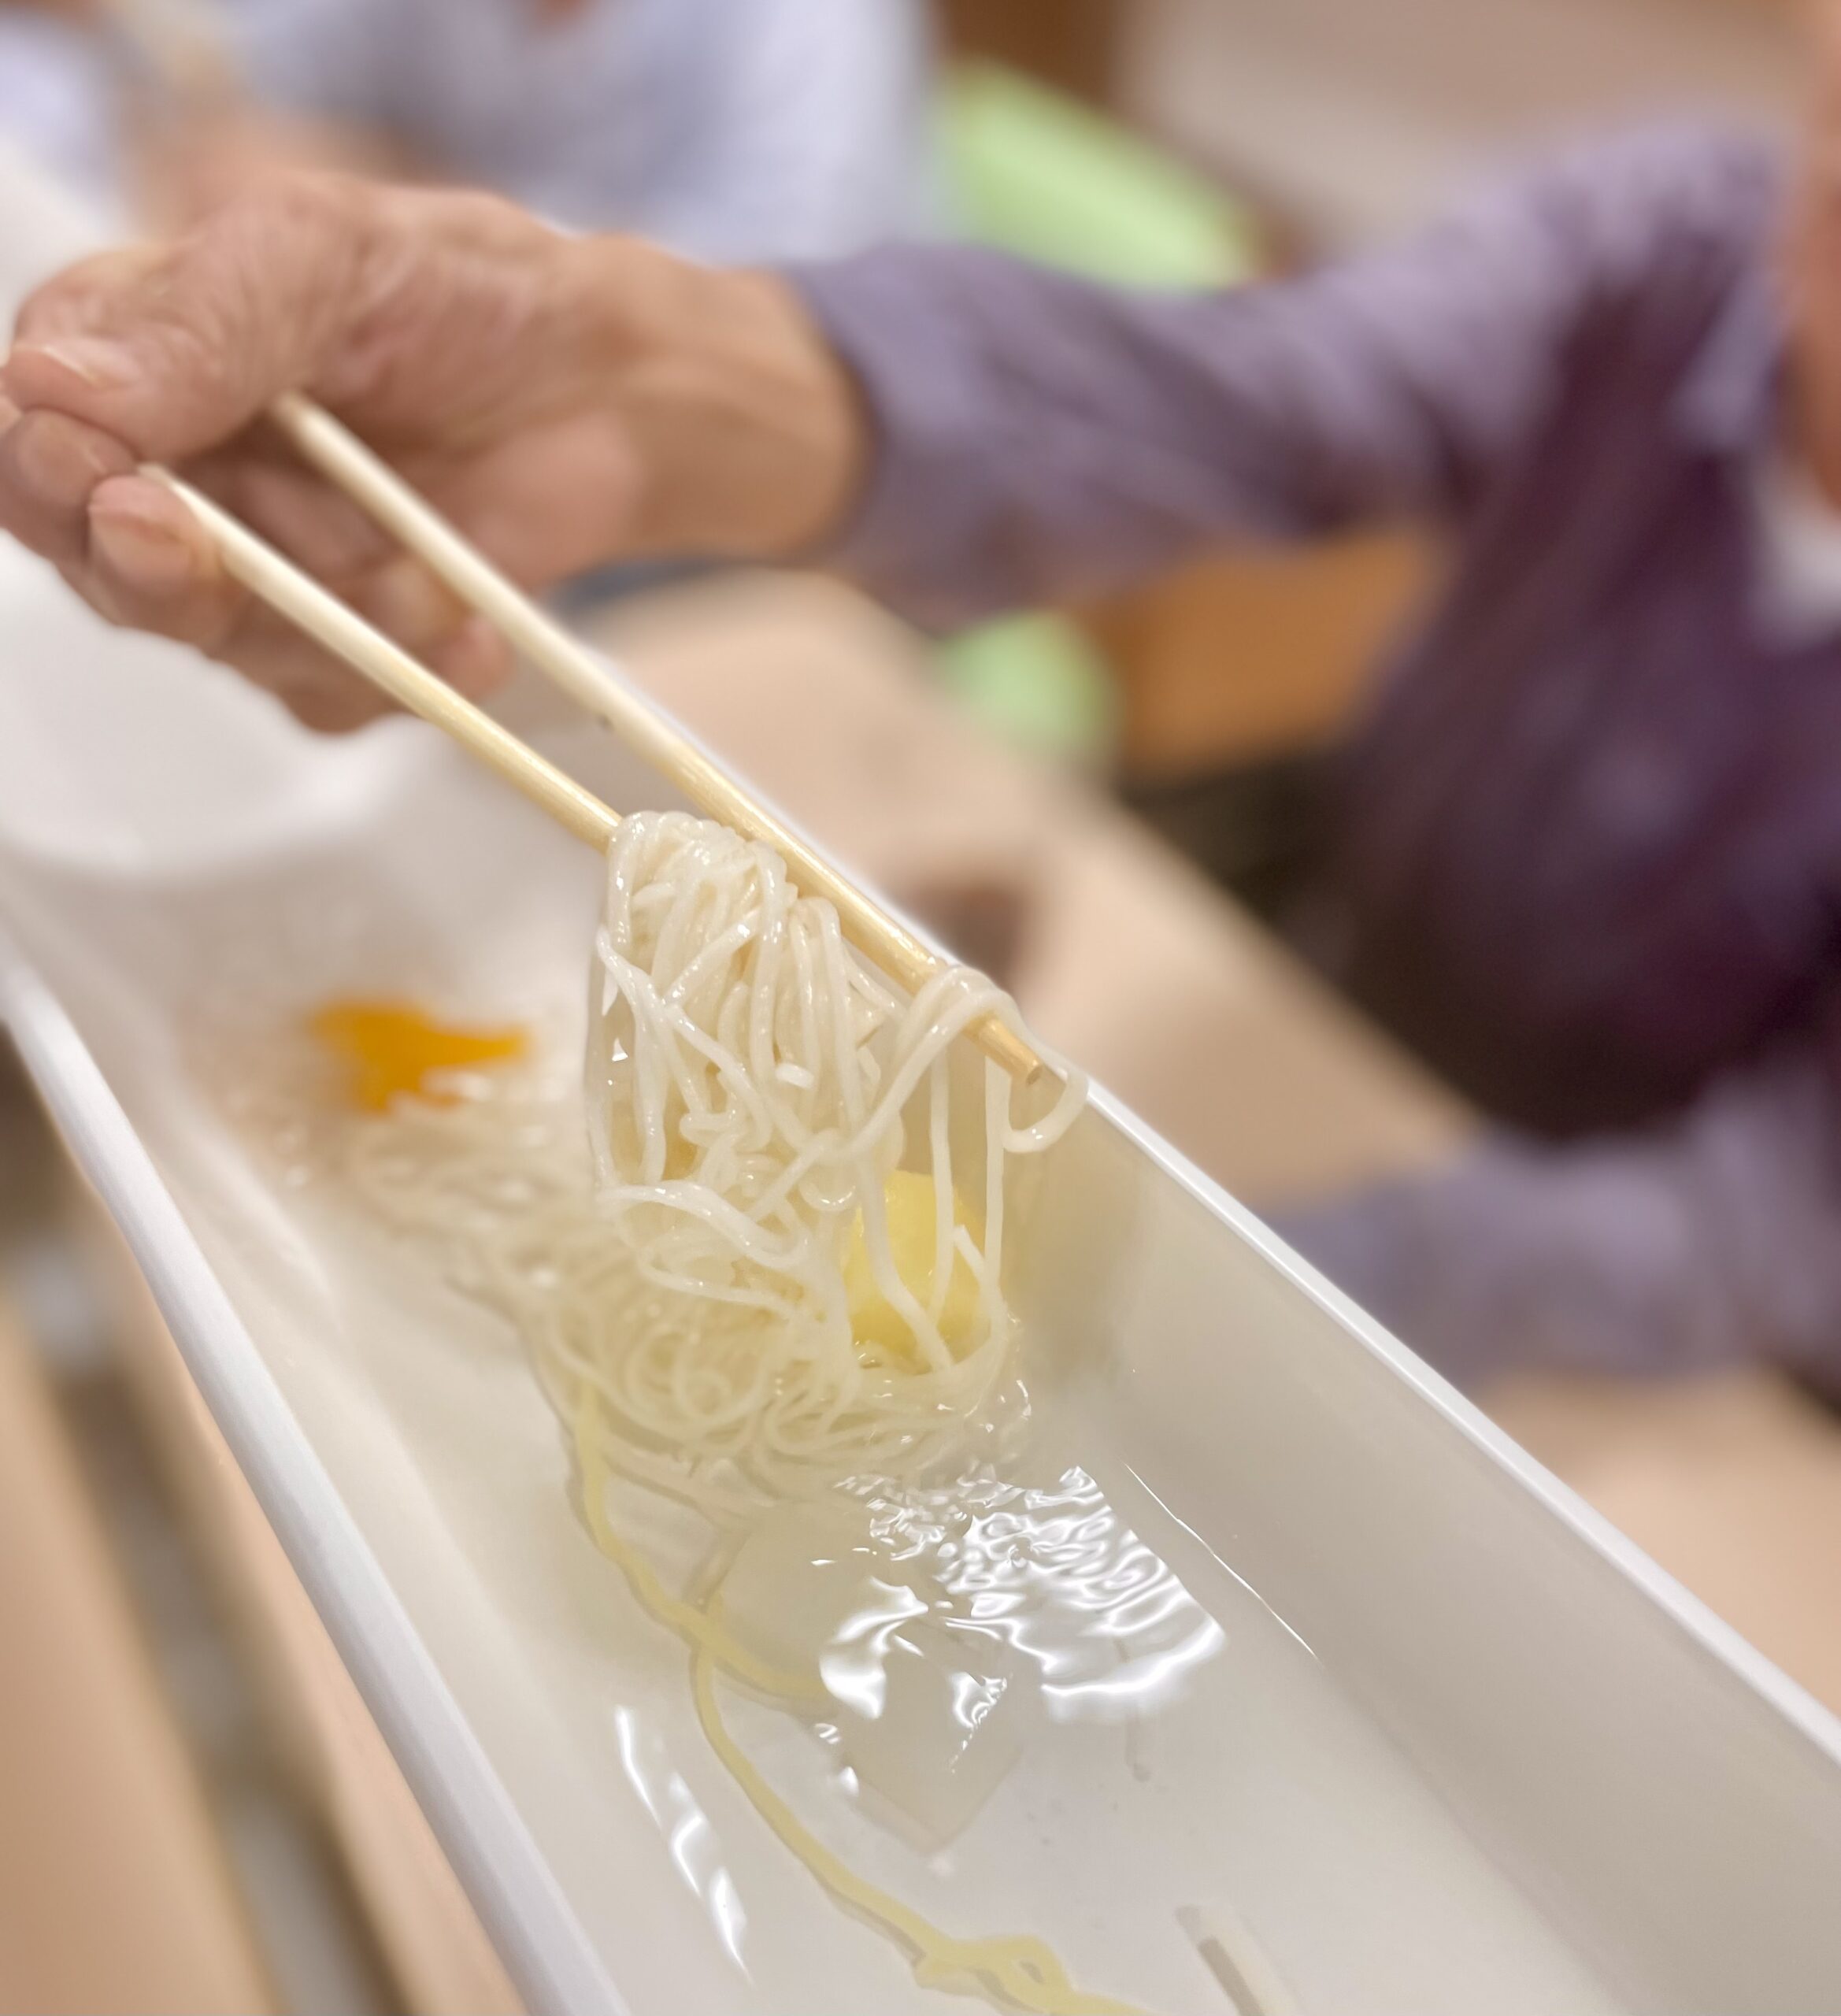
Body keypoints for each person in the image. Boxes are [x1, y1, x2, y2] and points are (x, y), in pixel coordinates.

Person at [6, 51, 1841, 1396]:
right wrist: (645, 388)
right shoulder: (1674, 238)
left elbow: (1765, 1215)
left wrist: (1245, 1286)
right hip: (1350, 980)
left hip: (1665, 1325)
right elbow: (1255, 399)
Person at [0, 0, 933, 258]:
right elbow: (265, 71)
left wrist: (404, 199)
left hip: (783, 536)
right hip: (500, 408)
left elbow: (790, 290)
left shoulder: (810, 22)